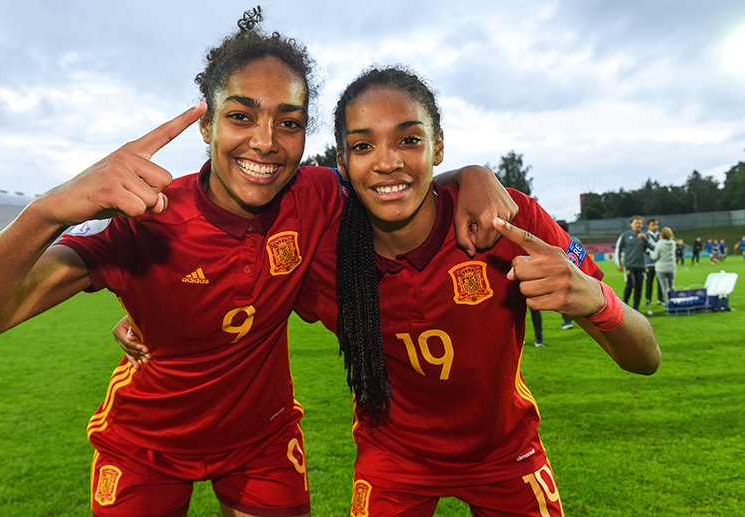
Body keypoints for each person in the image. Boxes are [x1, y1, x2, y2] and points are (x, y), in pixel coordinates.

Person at [0, 9, 514, 517]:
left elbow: (392, 183)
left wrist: (470, 176)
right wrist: (48, 211)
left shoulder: (314, 195)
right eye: (241, 116)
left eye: (288, 122)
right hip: (146, 443)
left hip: (262, 442)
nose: (265, 140)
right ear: (207, 126)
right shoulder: (146, 219)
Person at [115, 66, 661, 516]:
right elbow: (232, 280)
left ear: (438, 146)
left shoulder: (507, 222)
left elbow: (646, 357)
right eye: (362, 145)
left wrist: (596, 299)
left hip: (508, 453)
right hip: (392, 461)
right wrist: (150, 315)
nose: (388, 160)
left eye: (409, 139)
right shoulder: (326, 251)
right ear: (344, 164)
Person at [614, 216, 654, 310]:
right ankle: (625, 304)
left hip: (641, 265)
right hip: (629, 265)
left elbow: (654, 248)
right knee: (630, 283)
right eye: (636, 223)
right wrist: (618, 263)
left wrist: (645, 240)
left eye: (640, 223)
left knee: (639, 286)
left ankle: (636, 308)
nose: (638, 225)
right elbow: (618, 249)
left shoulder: (645, 236)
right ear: (631, 224)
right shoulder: (625, 235)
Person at [558, 220, 580, 329]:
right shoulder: (576, 240)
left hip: (563, 274)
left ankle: (567, 321)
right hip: (578, 274)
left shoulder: (557, 239)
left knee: (564, 299)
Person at [649, 227, 677, 306]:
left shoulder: (659, 243)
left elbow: (655, 256)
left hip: (661, 267)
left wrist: (650, 252)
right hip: (671, 266)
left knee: (664, 287)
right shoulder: (673, 243)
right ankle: (674, 300)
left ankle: (668, 303)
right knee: (671, 285)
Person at [643, 218, 660, 306]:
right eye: (653, 225)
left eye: (656, 224)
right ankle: (648, 299)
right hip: (649, 262)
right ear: (648, 226)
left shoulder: (660, 235)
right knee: (649, 281)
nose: (655, 227)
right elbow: (645, 248)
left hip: (660, 262)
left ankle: (661, 299)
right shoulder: (645, 236)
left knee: (660, 281)